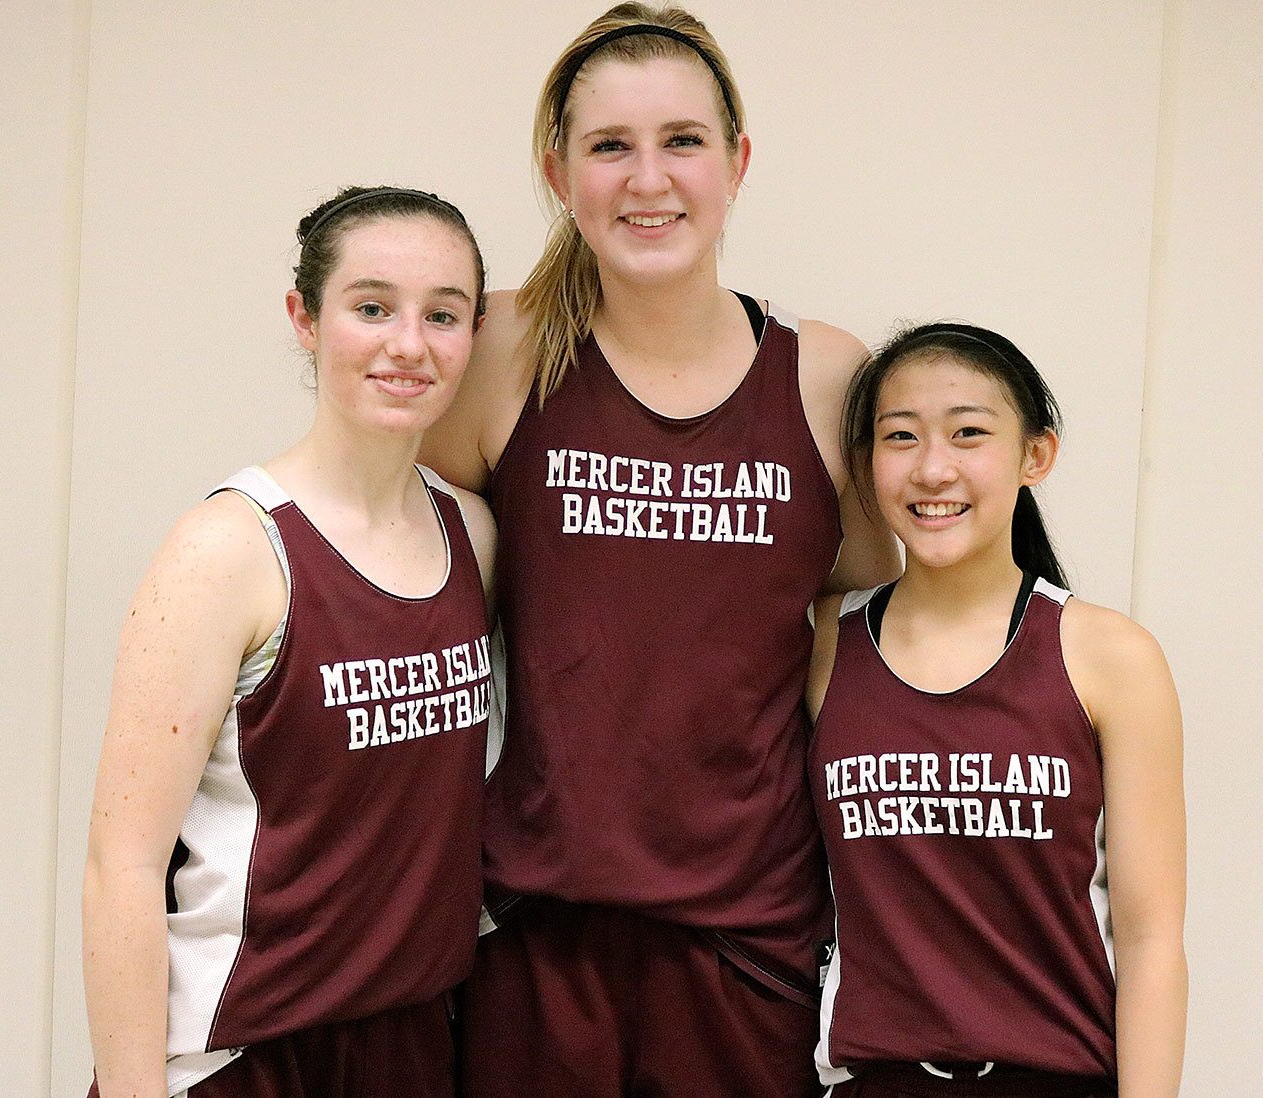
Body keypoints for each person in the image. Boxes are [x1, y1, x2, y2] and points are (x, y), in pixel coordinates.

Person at [418, 5, 899, 1095]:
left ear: (735, 161)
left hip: (744, 943)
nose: (648, 179)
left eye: (681, 140)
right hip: (534, 931)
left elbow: (859, 627)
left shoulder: (823, 378)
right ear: (557, 169)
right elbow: (389, 559)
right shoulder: (498, 353)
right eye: (608, 146)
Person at [82, 186, 496, 1098]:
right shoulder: (227, 549)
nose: (408, 344)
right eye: (372, 307)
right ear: (305, 319)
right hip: (249, 1053)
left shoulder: (473, 534)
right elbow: (124, 864)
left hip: (414, 1041)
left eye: (444, 315)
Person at [807, 324, 1187, 1097]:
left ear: (1034, 456)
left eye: (969, 434)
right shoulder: (822, 645)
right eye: (900, 437)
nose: (932, 468)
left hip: (1054, 1076)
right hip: (875, 1079)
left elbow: (1150, 939)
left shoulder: (1110, 657)